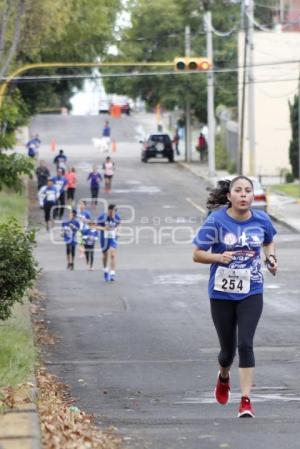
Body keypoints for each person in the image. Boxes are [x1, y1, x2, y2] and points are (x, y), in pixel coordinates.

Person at [193, 176, 277, 418]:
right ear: (229, 196)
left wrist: (271, 259)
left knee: (245, 344)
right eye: (238, 191)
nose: (243, 195)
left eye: (247, 191)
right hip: (221, 292)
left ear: (252, 196)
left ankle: (246, 400)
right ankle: (223, 376)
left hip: (252, 289)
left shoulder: (261, 219)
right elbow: (197, 254)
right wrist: (219, 257)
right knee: (227, 352)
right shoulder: (216, 221)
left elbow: (269, 242)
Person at [97, 204, 121, 282]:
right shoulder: (102, 217)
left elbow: (119, 225)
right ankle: (105, 270)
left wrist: (118, 231)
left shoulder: (117, 217)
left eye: (113, 213)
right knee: (105, 255)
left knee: (112, 254)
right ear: (108, 211)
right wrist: (104, 228)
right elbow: (95, 226)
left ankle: (112, 273)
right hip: (104, 237)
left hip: (113, 237)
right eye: (110, 213)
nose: (111, 214)